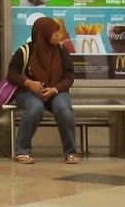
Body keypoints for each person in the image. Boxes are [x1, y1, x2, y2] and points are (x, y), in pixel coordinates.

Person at [6, 15, 79, 165]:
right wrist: (29, 83)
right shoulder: (25, 51)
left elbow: (69, 77)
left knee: (64, 109)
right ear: (43, 34)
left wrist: (54, 89)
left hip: (56, 92)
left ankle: (70, 152)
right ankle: (22, 151)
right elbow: (11, 74)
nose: (58, 35)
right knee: (35, 108)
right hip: (28, 92)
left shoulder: (61, 50)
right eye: (54, 32)